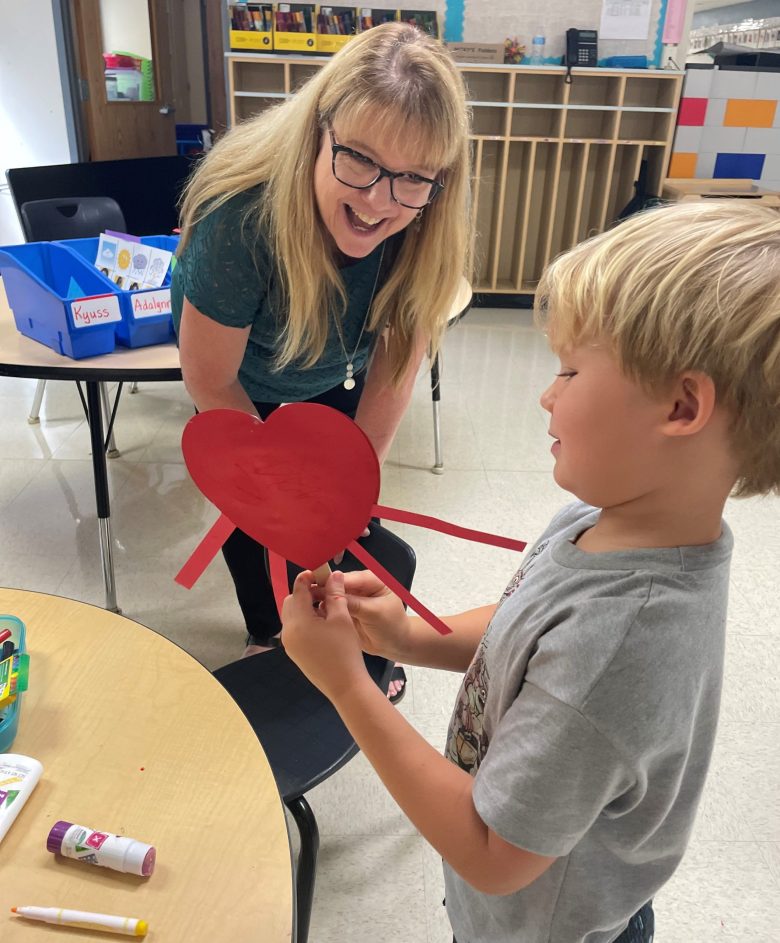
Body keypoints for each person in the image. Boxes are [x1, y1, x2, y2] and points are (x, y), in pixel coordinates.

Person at [279, 200, 780, 942]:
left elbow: (492, 854)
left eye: (571, 369)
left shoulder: (624, 643)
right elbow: (529, 623)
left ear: (681, 405)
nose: (546, 393)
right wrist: (410, 638)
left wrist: (349, 684)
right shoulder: (612, 519)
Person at [171, 22, 473, 694]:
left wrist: (345, 493)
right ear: (319, 131)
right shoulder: (239, 216)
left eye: (412, 179)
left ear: (437, 180)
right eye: (358, 159)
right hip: (242, 371)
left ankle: (352, 635)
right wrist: (276, 492)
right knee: (256, 512)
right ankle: (264, 632)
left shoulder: (424, 222)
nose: (376, 201)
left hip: (338, 363)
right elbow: (211, 376)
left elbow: (395, 367)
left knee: (336, 510)